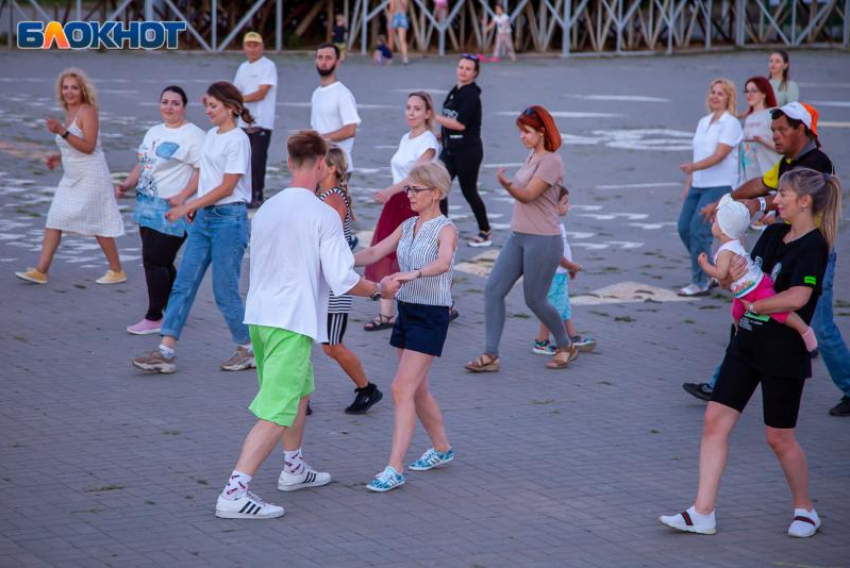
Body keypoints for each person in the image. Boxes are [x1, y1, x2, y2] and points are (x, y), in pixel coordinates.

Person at [214, 130, 395, 520]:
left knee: (298, 393)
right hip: (290, 322)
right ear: (320, 164)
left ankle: (294, 469)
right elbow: (343, 279)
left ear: (290, 161)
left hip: (261, 317)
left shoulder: (267, 208)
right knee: (278, 408)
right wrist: (381, 287)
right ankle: (234, 492)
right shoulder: (323, 214)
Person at [660, 168, 841, 538]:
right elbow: (744, 279)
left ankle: (805, 509)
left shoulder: (815, 247)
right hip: (745, 345)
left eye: (784, 195)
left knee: (779, 438)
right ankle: (702, 511)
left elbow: (799, 297)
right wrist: (725, 278)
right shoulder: (773, 233)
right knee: (715, 422)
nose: (776, 200)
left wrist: (758, 306)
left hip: (783, 353)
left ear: (804, 201)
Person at [685, 102, 850, 418]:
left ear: (801, 130)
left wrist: (757, 206)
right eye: (772, 130)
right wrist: (728, 201)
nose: (774, 136)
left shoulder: (816, 164)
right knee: (749, 312)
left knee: (820, 326)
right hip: (779, 247)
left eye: (781, 130)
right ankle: (720, 384)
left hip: (807, 256)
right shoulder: (789, 161)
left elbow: (774, 199)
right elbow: (761, 184)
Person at [131, 82, 255, 375]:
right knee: (184, 284)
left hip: (230, 220)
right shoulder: (211, 135)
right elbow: (207, 176)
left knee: (224, 290)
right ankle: (165, 351)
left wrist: (188, 205)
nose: (208, 111)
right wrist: (193, 205)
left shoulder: (238, 140)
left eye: (214, 106)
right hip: (204, 219)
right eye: (207, 106)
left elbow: (227, 186)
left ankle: (249, 349)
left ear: (231, 108)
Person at [353, 162, 457, 493]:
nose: (408, 194)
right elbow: (371, 253)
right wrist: (327, 256)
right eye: (408, 188)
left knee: (401, 388)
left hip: (432, 315)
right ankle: (442, 449)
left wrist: (408, 275)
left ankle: (394, 468)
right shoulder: (407, 224)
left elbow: (442, 263)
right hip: (407, 311)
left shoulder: (446, 229)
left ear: (436, 193)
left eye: (415, 189)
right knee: (417, 388)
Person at [465, 105, 580, 373]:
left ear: (541, 132)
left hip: (543, 239)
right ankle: (490, 354)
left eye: (527, 131)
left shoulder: (552, 160)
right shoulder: (531, 156)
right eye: (521, 131)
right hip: (519, 236)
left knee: (535, 299)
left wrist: (507, 186)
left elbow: (528, 195)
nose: (522, 136)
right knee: (493, 290)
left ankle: (566, 345)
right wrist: (511, 186)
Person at [15, 68, 126, 286]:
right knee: (54, 218)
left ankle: (116, 270)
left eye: (74, 87)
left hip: (92, 175)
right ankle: (40, 271)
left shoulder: (88, 111)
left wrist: (61, 131)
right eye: (65, 87)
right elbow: (73, 146)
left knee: (99, 223)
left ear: (83, 90)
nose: (69, 92)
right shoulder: (70, 112)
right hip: (71, 176)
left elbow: (89, 146)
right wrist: (59, 156)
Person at [116, 86, 205, 335]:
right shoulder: (153, 132)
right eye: (164, 102)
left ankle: (154, 317)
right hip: (146, 206)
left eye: (175, 103)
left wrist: (184, 196)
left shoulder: (194, 136)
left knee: (154, 260)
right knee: (162, 262)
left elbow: (203, 171)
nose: (169, 107)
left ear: (184, 107)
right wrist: (127, 183)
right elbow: (143, 164)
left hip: (173, 210)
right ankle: (175, 309)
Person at [698, 194, 817, 351]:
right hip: (746, 290)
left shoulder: (726, 251)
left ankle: (806, 332)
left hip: (756, 288)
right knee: (736, 311)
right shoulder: (735, 242)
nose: (712, 222)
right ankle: (739, 336)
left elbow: (720, 274)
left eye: (716, 221)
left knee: (781, 314)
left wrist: (704, 264)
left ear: (722, 229)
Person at [317, 146, 384, 414]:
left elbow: (324, 241)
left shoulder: (332, 199)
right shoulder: (321, 194)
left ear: (332, 168)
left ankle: (367, 389)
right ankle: (301, 397)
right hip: (323, 282)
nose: (316, 165)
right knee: (313, 341)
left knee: (332, 345)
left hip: (335, 283)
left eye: (320, 162)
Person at [364, 92, 439, 332]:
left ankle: (441, 305)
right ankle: (386, 314)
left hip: (414, 202)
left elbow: (415, 176)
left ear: (427, 114)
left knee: (414, 257)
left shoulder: (428, 142)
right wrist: (391, 194)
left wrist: (389, 190)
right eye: (408, 107)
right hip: (396, 202)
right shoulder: (406, 138)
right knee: (387, 255)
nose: (411, 112)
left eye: (417, 108)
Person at [676, 78, 743, 297]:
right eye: (713, 92)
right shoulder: (704, 121)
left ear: (729, 98)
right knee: (684, 227)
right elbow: (699, 154)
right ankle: (713, 270)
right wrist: (690, 182)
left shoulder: (731, 123)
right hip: (698, 183)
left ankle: (701, 281)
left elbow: (720, 155)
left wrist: (693, 167)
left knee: (699, 230)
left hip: (719, 184)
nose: (715, 96)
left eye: (720, 93)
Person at [434, 54, 492, 247]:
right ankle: (442, 230)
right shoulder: (455, 91)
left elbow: (460, 124)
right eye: (461, 67)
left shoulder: (471, 95)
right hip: (449, 149)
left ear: (475, 73)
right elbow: (450, 119)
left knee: (469, 192)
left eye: (468, 69)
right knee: (439, 187)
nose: (463, 71)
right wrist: (442, 134)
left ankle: (485, 231)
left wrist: (431, 116)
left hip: (467, 152)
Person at [533, 188, 596, 355]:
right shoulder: (551, 228)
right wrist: (571, 266)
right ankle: (542, 341)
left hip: (560, 274)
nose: (569, 206)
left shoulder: (558, 225)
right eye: (565, 202)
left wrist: (568, 269)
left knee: (564, 306)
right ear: (553, 206)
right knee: (551, 308)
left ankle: (572, 336)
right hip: (553, 275)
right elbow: (556, 255)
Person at [233, 31, 277, 209]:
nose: (252, 48)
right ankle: (245, 195)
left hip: (262, 123)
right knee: (243, 162)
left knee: (258, 162)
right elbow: (234, 91)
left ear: (262, 46)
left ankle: (257, 195)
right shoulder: (243, 67)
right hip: (243, 123)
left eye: (255, 45)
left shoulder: (268, 66)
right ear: (244, 47)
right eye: (248, 45)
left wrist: (239, 100)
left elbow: (262, 92)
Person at [311, 43, 361, 178]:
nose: (323, 62)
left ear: (337, 62)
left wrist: (321, 139)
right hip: (319, 165)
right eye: (320, 57)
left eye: (328, 58)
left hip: (339, 166)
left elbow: (350, 130)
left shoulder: (343, 94)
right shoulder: (316, 93)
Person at [740, 77, 780, 183]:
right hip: (750, 176)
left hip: (769, 173)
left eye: (753, 91)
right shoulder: (749, 118)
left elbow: (785, 147)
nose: (749, 94)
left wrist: (762, 140)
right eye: (747, 91)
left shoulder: (772, 114)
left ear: (764, 93)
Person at [388, 0, 409, 65]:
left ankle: (390, 58)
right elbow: (406, 9)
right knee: (402, 40)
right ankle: (405, 58)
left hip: (395, 16)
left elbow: (392, 9)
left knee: (391, 39)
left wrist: (389, 21)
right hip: (403, 16)